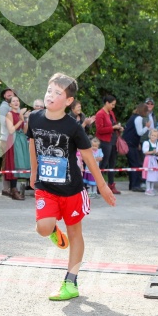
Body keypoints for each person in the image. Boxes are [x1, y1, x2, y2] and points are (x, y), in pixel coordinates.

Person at [28, 73, 116, 301]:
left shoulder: (73, 127)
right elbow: (32, 144)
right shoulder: (34, 118)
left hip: (72, 191)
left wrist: (103, 186)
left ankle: (70, 282)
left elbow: (88, 157)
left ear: (68, 101)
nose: (51, 96)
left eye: (58, 93)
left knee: (75, 232)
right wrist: (34, 171)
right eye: (50, 91)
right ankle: (54, 231)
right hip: (45, 187)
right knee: (43, 228)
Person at [95, 94, 124, 194]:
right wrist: (113, 128)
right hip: (104, 142)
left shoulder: (111, 113)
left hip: (113, 141)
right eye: (112, 104)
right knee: (103, 163)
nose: (113, 106)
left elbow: (113, 125)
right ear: (107, 103)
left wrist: (118, 128)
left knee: (112, 163)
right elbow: (100, 130)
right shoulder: (100, 114)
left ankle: (111, 184)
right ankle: (100, 186)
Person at [123, 103, 150, 192]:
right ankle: (135, 185)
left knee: (133, 164)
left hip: (130, 143)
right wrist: (147, 127)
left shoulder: (133, 117)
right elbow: (140, 132)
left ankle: (132, 184)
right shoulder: (139, 118)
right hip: (131, 144)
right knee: (136, 164)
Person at [4, 95, 26, 200]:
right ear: (10, 104)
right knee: (13, 163)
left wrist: (26, 120)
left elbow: (25, 131)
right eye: (14, 101)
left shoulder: (19, 114)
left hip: (21, 140)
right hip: (13, 140)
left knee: (20, 163)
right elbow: (11, 130)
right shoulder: (9, 114)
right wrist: (21, 120)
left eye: (17, 101)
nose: (16, 102)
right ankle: (13, 189)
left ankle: (16, 188)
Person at [0, 88, 15, 196]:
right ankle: (5, 188)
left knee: (10, 163)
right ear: (4, 95)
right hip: (5, 138)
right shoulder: (4, 106)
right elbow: (3, 122)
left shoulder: (11, 105)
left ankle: (8, 187)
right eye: (7, 93)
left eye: (11, 93)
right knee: (5, 163)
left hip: (11, 138)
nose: (9, 94)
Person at [142, 129, 158, 196]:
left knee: (153, 174)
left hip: (153, 160)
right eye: (152, 135)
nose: (153, 137)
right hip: (148, 159)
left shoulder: (157, 143)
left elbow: (156, 153)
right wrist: (152, 152)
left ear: (157, 137)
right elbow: (145, 152)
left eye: (155, 136)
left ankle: (152, 188)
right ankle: (148, 189)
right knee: (149, 174)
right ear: (150, 135)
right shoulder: (147, 143)